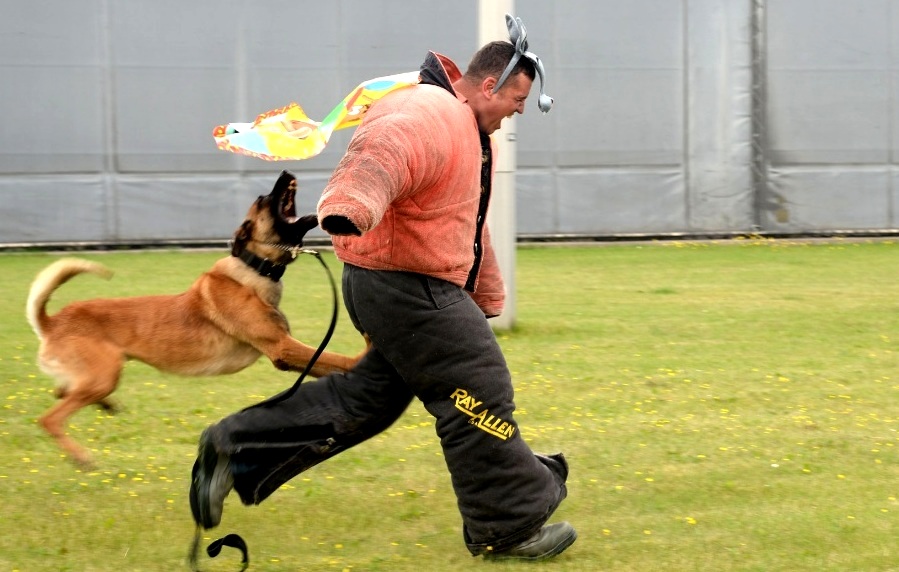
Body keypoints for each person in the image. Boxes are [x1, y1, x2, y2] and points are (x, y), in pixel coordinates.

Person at [190, 16, 576, 561]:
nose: (518, 111)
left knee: (367, 399)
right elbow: (384, 151)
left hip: (392, 286)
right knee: (477, 392)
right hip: (409, 290)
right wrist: (351, 203)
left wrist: (486, 293)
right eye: (516, 99)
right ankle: (508, 525)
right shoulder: (428, 109)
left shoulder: (459, 124)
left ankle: (234, 448)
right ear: (489, 85)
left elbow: (464, 219)